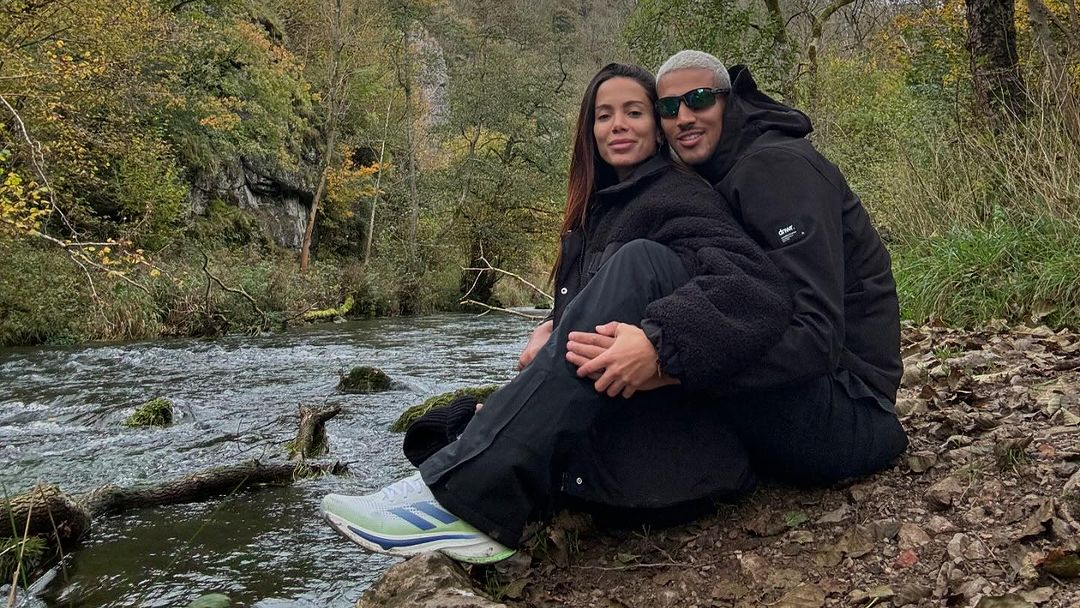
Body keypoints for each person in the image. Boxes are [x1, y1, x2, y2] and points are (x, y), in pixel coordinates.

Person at [320, 63, 792, 563]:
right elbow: (600, 314)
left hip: (675, 462)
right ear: (590, 131)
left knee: (642, 260)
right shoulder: (595, 212)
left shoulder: (678, 195)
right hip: (614, 436)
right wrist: (555, 325)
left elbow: (755, 287)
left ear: (658, 129)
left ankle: (466, 506)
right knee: (443, 427)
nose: (618, 125)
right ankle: (453, 483)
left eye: (634, 112)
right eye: (604, 115)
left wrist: (658, 344)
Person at [567, 50, 908, 484]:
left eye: (699, 100)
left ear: (728, 101)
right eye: (668, 108)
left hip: (849, 406)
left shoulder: (777, 167)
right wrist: (561, 324)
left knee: (655, 307)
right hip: (810, 393)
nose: (684, 117)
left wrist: (666, 365)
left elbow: (817, 337)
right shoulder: (707, 180)